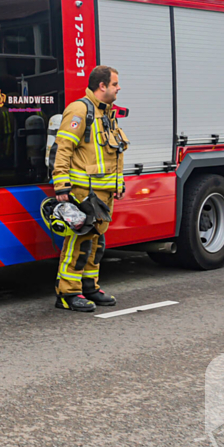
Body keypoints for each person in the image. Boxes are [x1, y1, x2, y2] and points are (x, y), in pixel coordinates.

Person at [51, 65, 128, 313]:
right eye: (115, 84)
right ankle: (67, 293)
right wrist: (61, 184)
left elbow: (113, 152)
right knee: (80, 242)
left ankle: (89, 287)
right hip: (84, 192)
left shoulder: (107, 113)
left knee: (96, 243)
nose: (119, 88)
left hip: (103, 193)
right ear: (102, 86)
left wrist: (118, 184)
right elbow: (63, 149)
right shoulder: (80, 110)